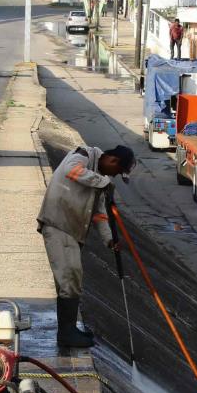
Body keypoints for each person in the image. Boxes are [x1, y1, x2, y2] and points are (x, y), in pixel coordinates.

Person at [38, 144, 135, 348]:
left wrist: (109, 240)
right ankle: (67, 333)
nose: (114, 177)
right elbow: (70, 171)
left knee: (72, 279)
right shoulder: (82, 155)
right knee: (70, 276)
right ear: (112, 160)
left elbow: (100, 216)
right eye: (116, 172)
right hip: (58, 224)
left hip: (72, 231)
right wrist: (103, 182)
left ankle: (69, 329)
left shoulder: (98, 179)